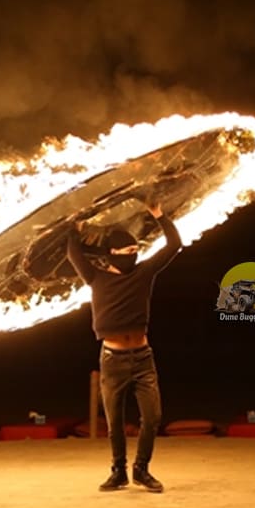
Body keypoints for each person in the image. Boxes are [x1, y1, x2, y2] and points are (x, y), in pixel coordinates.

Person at [66, 201, 181, 492]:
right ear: (112, 255)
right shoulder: (95, 277)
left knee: (152, 417)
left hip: (143, 358)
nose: (134, 255)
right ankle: (118, 471)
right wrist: (75, 227)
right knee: (114, 421)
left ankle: (141, 469)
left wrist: (158, 214)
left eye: (135, 251)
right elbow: (73, 252)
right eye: (127, 252)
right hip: (113, 360)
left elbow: (174, 245)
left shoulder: (143, 272)